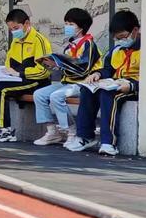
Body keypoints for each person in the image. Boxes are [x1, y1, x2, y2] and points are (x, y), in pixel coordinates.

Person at [73, 11, 140, 156]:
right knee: (87, 90)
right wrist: (97, 74)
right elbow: (108, 69)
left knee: (108, 94)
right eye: (117, 38)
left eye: (123, 37)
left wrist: (132, 85)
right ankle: (85, 136)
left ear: (135, 30)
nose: (120, 40)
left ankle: (108, 142)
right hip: (115, 83)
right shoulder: (117, 50)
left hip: (133, 86)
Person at [31, 8, 101, 147]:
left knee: (56, 96)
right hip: (67, 83)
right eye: (66, 23)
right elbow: (65, 68)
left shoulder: (89, 44)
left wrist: (64, 64)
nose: (67, 27)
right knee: (39, 94)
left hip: (82, 84)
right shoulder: (70, 46)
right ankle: (52, 131)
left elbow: (83, 68)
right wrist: (52, 64)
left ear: (81, 27)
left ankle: (71, 131)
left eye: (71, 24)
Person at [0, 9, 53, 142]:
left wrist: (20, 73)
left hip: (36, 81)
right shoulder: (16, 41)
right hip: (18, 79)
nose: (14, 32)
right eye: (11, 29)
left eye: (16, 28)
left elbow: (44, 71)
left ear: (27, 24)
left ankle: (5, 130)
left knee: (0, 89)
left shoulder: (39, 41)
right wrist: (3, 72)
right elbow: (9, 63)